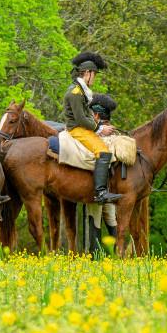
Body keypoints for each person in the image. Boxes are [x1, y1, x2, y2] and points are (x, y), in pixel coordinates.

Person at [63, 52, 122, 204]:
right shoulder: (75, 92)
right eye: (94, 74)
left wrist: (101, 125)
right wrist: (100, 129)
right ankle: (101, 192)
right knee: (103, 151)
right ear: (87, 73)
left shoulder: (81, 90)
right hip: (77, 129)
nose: (94, 78)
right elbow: (81, 119)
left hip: (82, 127)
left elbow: (87, 114)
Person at [87, 93, 119, 253]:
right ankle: (114, 255)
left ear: (97, 115)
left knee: (96, 218)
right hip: (112, 189)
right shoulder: (114, 135)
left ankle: (95, 256)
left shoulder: (94, 134)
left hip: (97, 188)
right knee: (111, 218)